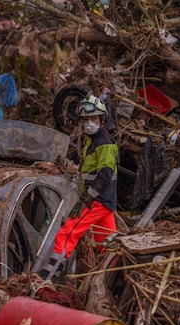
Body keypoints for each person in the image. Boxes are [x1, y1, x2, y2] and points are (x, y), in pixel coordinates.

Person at [40, 95, 118, 280]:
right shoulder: (93, 141)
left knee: (67, 234)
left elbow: (105, 175)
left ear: (102, 120)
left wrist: (87, 198)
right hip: (104, 201)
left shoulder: (105, 143)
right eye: (85, 120)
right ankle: (115, 279)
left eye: (93, 119)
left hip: (97, 200)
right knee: (108, 245)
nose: (89, 123)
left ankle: (46, 280)